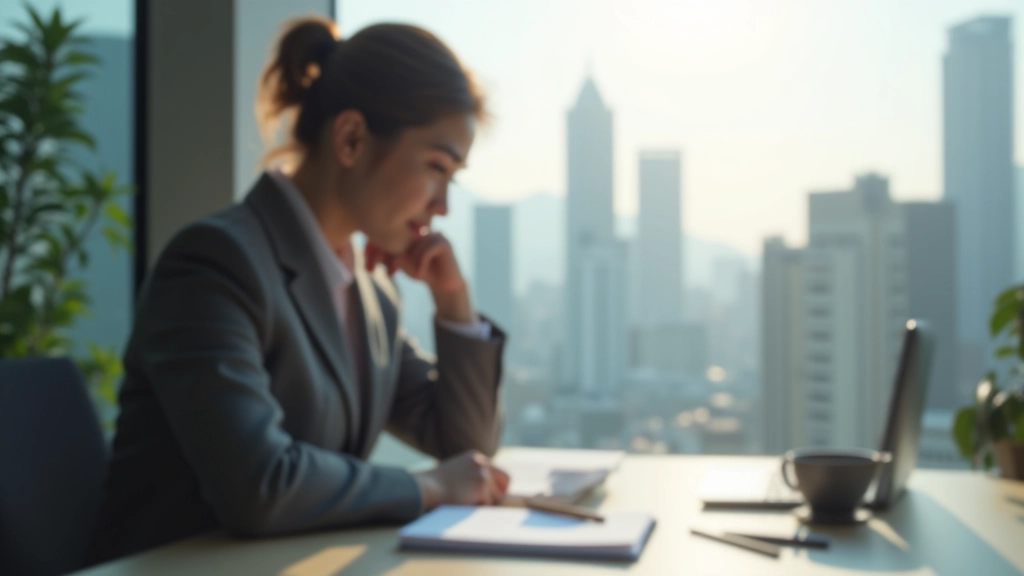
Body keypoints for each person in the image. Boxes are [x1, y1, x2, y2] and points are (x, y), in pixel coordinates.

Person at [87, 18, 508, 564]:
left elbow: (465, 449)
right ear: (351, 138)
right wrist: (428, 488)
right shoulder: (216, 263)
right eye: (436, 167)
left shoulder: (371, 293)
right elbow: (260, 484)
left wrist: (454, 302)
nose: (443, 206)